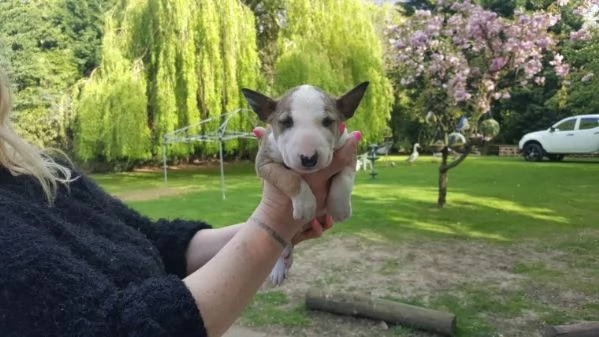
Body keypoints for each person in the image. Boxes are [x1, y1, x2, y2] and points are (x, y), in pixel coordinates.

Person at [0, 70, 360, 337]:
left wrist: (279, 230)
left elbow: (153, 241)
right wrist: (275, 222)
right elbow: (115, 329)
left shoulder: (46, 170)